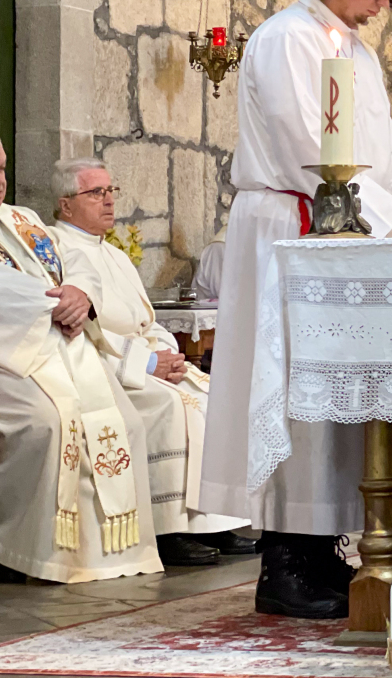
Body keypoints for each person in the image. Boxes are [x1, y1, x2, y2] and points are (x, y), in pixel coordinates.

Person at [199, 0, 392, 620]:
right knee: (293, 389)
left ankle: (324, 547)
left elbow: (386, 149)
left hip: (343, 234)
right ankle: (285, 561)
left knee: (338, 394)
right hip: (293, 227)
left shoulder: (353, 51)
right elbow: (304, 148)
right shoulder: (288, 39)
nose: (384, 6)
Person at [0, 125, 161, 584]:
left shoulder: (21, 218)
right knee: (47, 421)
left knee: (126, 420)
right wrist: (54, 304)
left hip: (52, 341)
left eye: (2, 169)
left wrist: (80, 293)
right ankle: (16, 549)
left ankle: (110, 552)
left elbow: (78, 262)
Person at [51, 157, 253, 566]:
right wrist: (146, 363)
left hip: (142, 360)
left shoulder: (114, 254)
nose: (109, 201)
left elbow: (146, 319)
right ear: (65, 204)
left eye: (110, 191)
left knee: (213, 397)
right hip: (104, 367)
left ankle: (216, 520)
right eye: (95, 193)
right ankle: (169, 529)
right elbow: (79, 327)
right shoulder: (57, 250)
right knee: (171, 406)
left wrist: (168, 355)